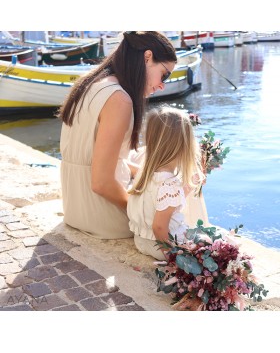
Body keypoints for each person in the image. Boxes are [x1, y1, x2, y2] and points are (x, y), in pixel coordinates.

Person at [59, 31, 177, 239]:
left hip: (74, 206)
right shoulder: (119, 100)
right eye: (164, 74)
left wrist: (142, 172)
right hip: (101, 216)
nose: (162, 85)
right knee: (177, 181)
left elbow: (99, 159)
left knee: (152, 162)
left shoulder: (91, 82)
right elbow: (101, 183)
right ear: (147, 57)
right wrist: (138, 213)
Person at [127, 107, 205, 260]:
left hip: (141, 241)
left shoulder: (144, 173)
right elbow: (159, 227)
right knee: (210, 241)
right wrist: (173, 258)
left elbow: (165, 203)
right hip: (162, 246)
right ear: (184, 146)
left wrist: (191, 183)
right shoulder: (170, 184)